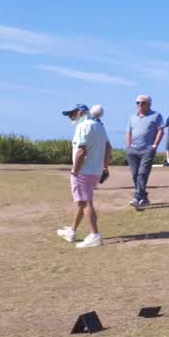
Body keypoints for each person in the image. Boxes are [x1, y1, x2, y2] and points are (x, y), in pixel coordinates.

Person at [56, 103, 110, 248]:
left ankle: (95, 235)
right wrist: (105, 168)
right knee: (82, 201)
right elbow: (108, 147)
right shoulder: (99, 126)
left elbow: (81, 151)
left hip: (83, 171)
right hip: (95, 171)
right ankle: (72, 231)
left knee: (85, 202)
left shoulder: (83, 126)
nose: (70, 117)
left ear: (81, 112)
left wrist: (75, 170)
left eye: (72, 114)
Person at [125, 94, 163, 209]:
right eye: (137, 103)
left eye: (142, 103)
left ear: (149, 104)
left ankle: (137, 197)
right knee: (135, 174)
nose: (139, 105)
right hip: (133, 150)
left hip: (147, 149)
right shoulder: (132, 117)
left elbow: (160, 131)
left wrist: (155, 145)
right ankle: (144, 197)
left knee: (142, 173)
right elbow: (128, 132)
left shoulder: (156, 116)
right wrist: (128, 146)